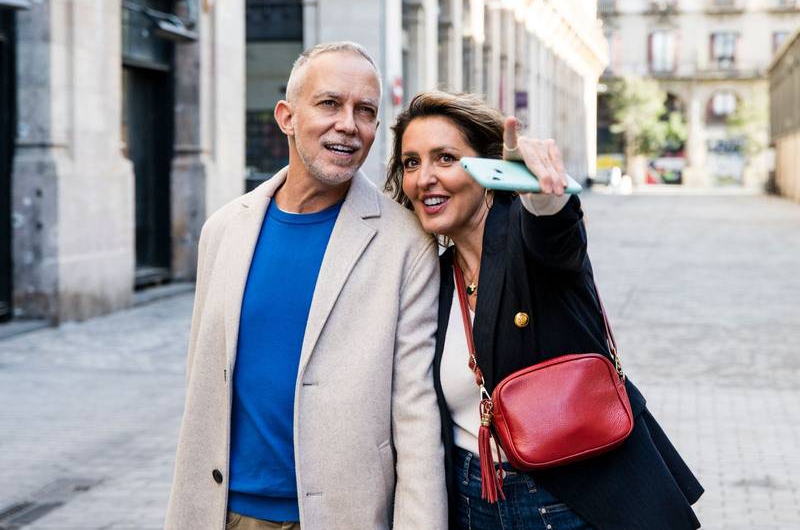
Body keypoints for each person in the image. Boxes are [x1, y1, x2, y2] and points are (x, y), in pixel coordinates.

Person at [385, 91, 703, 530]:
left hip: (570, 499)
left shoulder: (527, 238)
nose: (424, 178)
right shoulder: (432, 277)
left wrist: (543, 196)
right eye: (411, 162)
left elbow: (556, 234)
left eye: (445, 158)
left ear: (488, 168)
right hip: (472, 501)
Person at [165, 42, 447, 530]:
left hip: (345, 514)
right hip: (227, 513)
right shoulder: (224, 229)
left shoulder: (406, 243)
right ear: (287, 117)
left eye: (365, 111)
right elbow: (203, 382)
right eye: (329, 103)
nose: (348, 124)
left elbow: (416, 415)